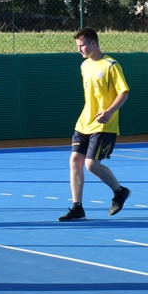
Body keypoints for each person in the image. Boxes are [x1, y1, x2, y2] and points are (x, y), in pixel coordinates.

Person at [60, 28, 131, 222]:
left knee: (91, 164)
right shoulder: (84, 66)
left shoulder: (111, 65)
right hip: (84, 122)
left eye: (82, 45)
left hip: (104, 124)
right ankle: (77, 208)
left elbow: (123, 93)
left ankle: (120, 191)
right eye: (78, 46)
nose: (79, 49)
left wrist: (109, 112)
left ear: (93, 43)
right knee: (75, 160)